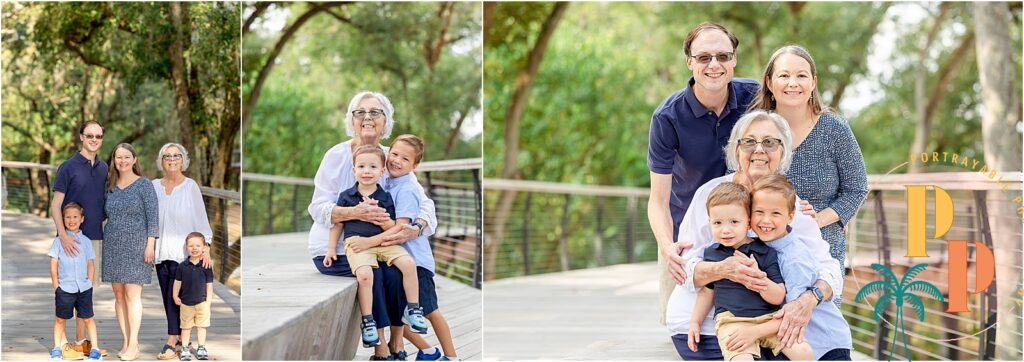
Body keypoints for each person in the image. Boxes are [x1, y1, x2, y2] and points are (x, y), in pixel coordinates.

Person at [666, 111, 843, 360]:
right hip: (714, 326)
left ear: (783, 153)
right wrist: (723, 269)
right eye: (749, 141)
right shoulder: (711, 195)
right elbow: (683, 268)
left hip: (771, 321)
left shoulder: (794, 209)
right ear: (735, 151)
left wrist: (809, 299)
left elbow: (830, 270)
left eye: (770, 142)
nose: (759, 149)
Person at [306, 91, 437, 360]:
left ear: (385, 121)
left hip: (378, 245)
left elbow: (425, 205)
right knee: (378, 274)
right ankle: (382, 348)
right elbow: (317, 207)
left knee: (397, 270)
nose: (367, 117)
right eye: (360, 112)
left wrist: (417, 226)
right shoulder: (336, 156)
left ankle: (397, 345)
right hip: (337, 248)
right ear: (351, 120)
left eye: (375, 112)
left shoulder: (394, 159)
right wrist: (355, 212)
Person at [647, 22, 760, 324]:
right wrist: (667, 247)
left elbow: (793, 135)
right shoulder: (667, 117)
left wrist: (823, 209)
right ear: (690, 62)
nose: (714, 65)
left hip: (748, 230)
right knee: (677, 325)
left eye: (723, 56)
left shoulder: (756, 98)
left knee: (746, 321)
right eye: (704, 57)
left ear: (734, 59)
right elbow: (657, 199)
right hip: (687, 234)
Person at [747, 44, 868, 275]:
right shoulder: (755, 129)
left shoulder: (834, 128)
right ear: (770, 83)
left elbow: (857, 188)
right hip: (763, 254)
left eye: (801, 75)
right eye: (784, 75)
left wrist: (816, 221)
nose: (793, 82)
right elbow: (736, 182)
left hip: (821, 253)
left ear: (813, 82)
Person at [687, 182, 813, 361]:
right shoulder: (712, 254)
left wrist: (758, 278)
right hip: (732, 321)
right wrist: (695, 322)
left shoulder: (765, 251)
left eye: (734, 222)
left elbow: (778, 296)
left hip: (769, 319)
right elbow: (707, 292)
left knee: (804, 353)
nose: (726, 230)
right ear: (710, 223)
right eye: (717, 223)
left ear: (748, 222)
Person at [324, 145, 429, 347]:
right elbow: (337, 224)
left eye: (373, 167)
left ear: (382, 172)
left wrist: (381, 218)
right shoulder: (346, 196)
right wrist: (330, 249)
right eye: (361, 166)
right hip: (357, 244)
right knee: (365, 275)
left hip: (382, 241)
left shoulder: (385, 197)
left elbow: (393, 225)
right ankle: (368, 321)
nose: (366, 171)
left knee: (408, 263)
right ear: (354, 170)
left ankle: (414, 309)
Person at [749, 175, 853, 360]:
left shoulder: (795, 259)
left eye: (775, 213)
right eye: (759, 212)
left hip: (825, 345)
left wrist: (750, 333)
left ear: (790, 216)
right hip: (796, 342)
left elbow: (791, 314)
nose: (766, 220)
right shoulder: (762, 245)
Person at [376, 135, 460, 361]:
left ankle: (451, 357)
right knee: (395, 313)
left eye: (405, 159)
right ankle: (429, 351)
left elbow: (401, 228)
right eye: (394, 154)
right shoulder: (387, 180)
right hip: (400, 262)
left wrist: (370, 242)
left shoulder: (407, 188)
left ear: (414, 167)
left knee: (430, 311)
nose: (396, 161)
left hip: (416, 264)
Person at [152, 143, 214, 360]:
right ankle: (178, 339)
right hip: (162, 253)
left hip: (185, 256)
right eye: (167, 156)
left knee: (178, 296)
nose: (172, 159)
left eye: (176, 155)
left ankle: (172, 341)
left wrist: (205, 247)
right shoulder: (154, 187)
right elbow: (149, 221)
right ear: (161, 160)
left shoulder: (190, 186)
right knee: (168, 298)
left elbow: (201, 219)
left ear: (183, 160)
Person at [50, 121, 108, 352]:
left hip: (93, 237)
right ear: (81, 137)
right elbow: (55, 205)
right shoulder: (67, 167)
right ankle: (62, 343)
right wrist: (63, 236)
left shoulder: (104, 168)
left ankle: (80, 342)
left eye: (98, 136)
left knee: (85, 289)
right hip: (69, 239)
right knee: (66, 291)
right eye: (90, 135)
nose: (94, 139)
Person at [103, 143, 159, 361]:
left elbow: (153, 218)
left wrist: (150, 245)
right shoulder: (109, 185)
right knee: (118, 295)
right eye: (118, 157)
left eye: (127, 157)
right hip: (113, 244)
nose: (123, 161)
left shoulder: (144, 185)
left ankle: (134, 343)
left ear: (134, 159)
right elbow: (100, 213)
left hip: (138, 245)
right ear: (114, 160)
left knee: (132, 294)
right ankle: (125, 340)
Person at [49, 202, 102, 361]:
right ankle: (57, 348)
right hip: (65, 288)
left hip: (84, 288)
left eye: (75, 217)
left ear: (82, 219)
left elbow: (90, 262)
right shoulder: (58, 241)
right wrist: (56, 286)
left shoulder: (86, 241)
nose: (71, 220)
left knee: (88, 318)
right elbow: (54, 264)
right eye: (68, 217)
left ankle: (95, 348)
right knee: (60, 319)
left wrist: (90, 282)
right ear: (63, 219)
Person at [173, 233, 215, 361]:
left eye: (198, 245)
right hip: (186, 303)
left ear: (204, 248)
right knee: (185, 328)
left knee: (201, 327)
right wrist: (175, 296)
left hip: (202, 303)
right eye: (191, 245)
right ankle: (185, 348)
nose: (194, 248)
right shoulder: (182, 266)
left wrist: (208, 302)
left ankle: (201, 347)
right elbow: (177, 282)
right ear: (186, 248)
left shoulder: (206, 266)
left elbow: (209, 285)